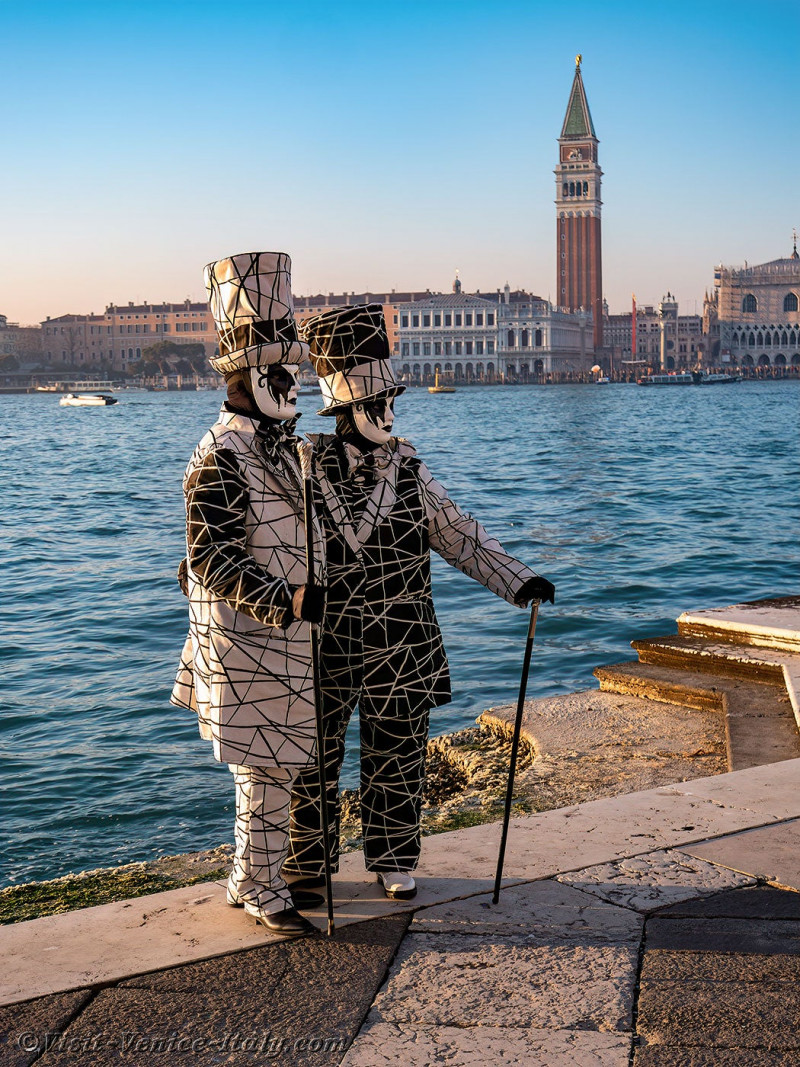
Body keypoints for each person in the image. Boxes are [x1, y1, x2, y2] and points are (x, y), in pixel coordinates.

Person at [285, 303, 554, 900]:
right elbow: (266, 532)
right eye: (379, 405)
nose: (389, 413)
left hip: (404, 635)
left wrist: (518, 580)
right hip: (324, 638)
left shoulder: (411, 472)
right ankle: (306, 863)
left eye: (390, 404)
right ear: (349, 411)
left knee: (400, 752)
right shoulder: (302, 468)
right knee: (312, 756)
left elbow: (459, 535)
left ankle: (393, 857)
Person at [171, 251, 325, 936]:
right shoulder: (220, 455)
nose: (299, 388)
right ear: (252, 377)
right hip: (249, 637)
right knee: (267, 770)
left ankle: (244, 875)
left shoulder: (272, 444)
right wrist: (287, 601)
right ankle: (263, 889)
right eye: (286, 376)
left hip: (275, 640)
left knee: (269, 769)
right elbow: (212, 556)